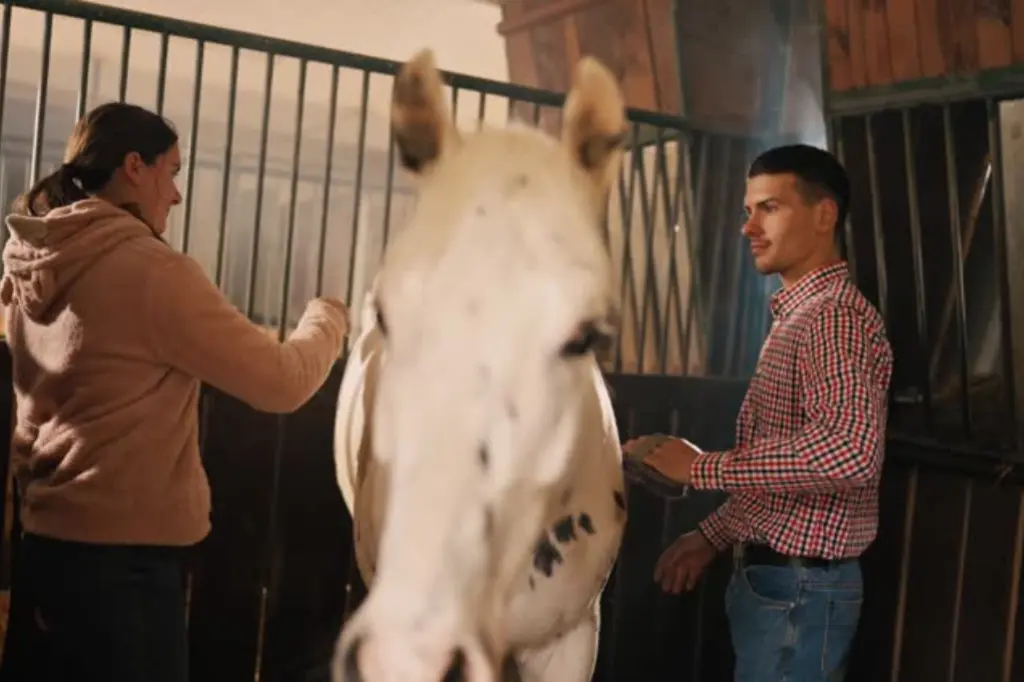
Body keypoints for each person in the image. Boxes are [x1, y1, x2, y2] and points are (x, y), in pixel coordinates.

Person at [0, 102, 350, 682]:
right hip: (123, 571)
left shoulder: (31, 263)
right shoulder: (152, 271)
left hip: (42, 552)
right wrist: (328, 316)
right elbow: (283, 382)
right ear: (134, 167)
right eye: (174, 171)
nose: (178, 194)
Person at [623, 144, 893, 681]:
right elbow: (787, 479)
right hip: (786, 587)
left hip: (800, 591)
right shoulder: (799, 317)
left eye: (770, 208)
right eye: (749, 211)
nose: (749, 227)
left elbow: (850, 453)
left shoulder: (832, 319)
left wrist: (701, 467)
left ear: (824, 215)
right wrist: (712, 535)